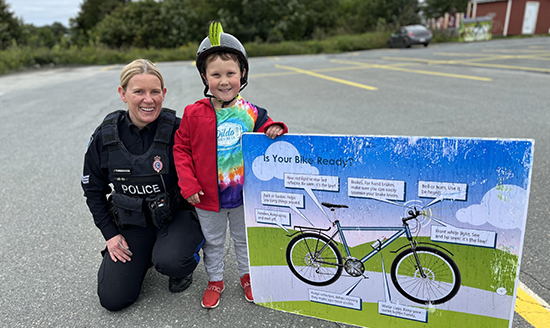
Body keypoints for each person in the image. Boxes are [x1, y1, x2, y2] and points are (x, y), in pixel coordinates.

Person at [173, 22, 288, 309]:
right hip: (207, 197)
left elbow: (266, 129)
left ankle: (247, 276)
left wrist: (274, 127)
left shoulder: (251, 112)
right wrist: (188, 184)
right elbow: (181, 149)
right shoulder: (193, 113)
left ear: (242, 74)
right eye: (216, 75)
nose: (224, 81)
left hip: (241, 195)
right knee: (212, 242)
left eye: (230, 74)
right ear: (204, 76)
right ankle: (215, 280)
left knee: (243, 240)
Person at [81, 59, 204, 311]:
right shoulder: (105, 136)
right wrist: (110, 235)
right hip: (132, 221)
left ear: (164, 93)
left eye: (154, 91)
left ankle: (177, 259)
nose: (148, 100)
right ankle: (146, 253)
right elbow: (93, 190)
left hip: (174, 215)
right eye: (138, 91)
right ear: (123, 94)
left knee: (172, 261)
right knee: (113, 299)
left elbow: (214, 160)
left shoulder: (179, 129)